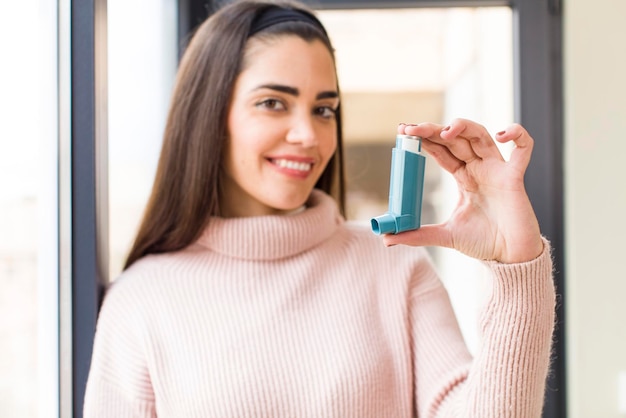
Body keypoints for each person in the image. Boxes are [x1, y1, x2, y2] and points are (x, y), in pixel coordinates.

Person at [83, 0, 556, 417]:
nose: (308, 135)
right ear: (210, 115)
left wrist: (516, 264)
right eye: (273, 103)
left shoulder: (393, 266)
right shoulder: (140, 301)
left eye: (324, 109)